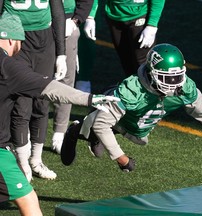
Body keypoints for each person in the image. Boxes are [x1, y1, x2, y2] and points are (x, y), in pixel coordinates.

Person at [0, 11, 119, 215]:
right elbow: (53, 90)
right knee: (28, 200)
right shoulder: (8, 67)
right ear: (11, 39)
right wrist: (90, 99)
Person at [60, 43, 202, 172]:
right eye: (167, 78)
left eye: (177, 77)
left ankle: (97, 134)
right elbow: (101, 125)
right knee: (103, 122)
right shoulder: (132, 90)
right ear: (152, 72)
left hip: (137, 121)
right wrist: (122, 159)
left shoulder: (185, 87)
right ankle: (75, 131)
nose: (173, 84)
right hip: (121, 111)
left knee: (139, 133)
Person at [2, 0, 67, 181]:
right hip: (16, 38)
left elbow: (58, 12)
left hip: (44, 40)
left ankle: (36, 160)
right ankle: (22, 163)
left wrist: (61, 53)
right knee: (22, 106)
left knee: (42, 103)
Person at [51, 0, 95, 154]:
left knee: (66, 81)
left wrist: (78, 19)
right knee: (35, 77)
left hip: (68, 19)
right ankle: (28, 132)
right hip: (37, 20)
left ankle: (60, 131)